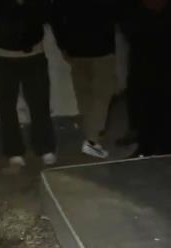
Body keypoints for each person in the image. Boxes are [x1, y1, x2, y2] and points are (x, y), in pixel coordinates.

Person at [0, 0, 57, 172]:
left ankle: (45, 148)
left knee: (40, 103)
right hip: (0, 58)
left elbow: (49, 15)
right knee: (5, 105)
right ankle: (14, 152)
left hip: (33, 56)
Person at [120, 0, 171, 157]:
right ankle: (153, 144)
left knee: (159, 84)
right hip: (151, 20)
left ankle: (156, 145)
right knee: (147, 84)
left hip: (168, 20)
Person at [50, 0, 121, 159]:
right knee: (101, 96)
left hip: (76, 49)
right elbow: (118, 12)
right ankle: (92, 139)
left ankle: (92, 136)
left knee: (85, 96)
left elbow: (55, 17)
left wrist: (64, 46)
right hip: (102, 49)